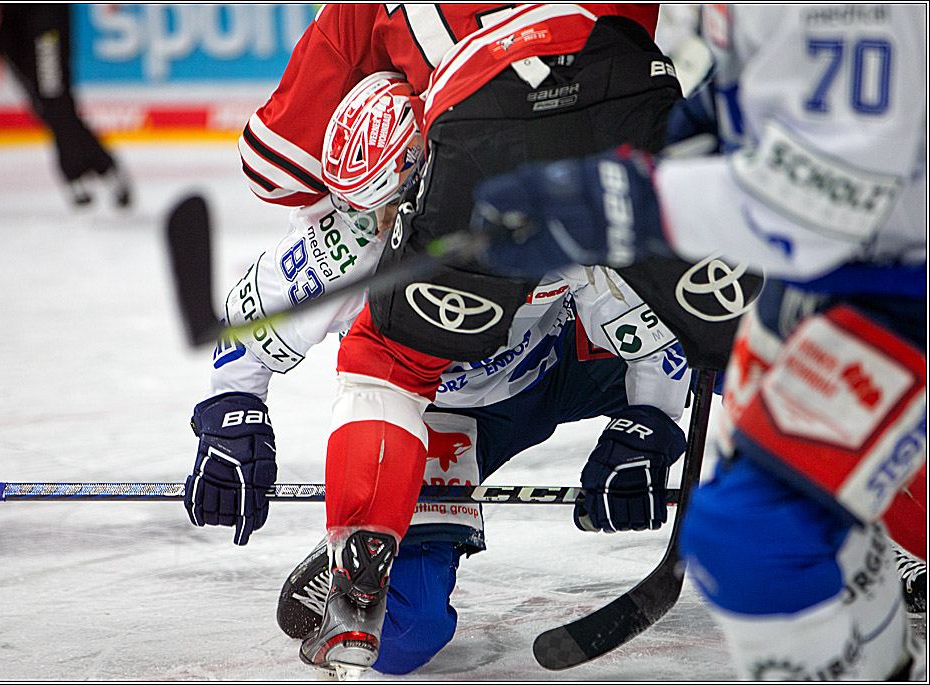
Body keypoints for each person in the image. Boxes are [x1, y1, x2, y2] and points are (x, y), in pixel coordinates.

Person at [467, 4, 926, 679]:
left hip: (896, 280)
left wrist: (627, 203)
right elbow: (768, 94)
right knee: (804, 525)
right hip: (846, 273)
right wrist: (687, 136)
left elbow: (839, 190)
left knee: (757, 535)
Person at [185, 68, 691, 678]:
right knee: (405, 638)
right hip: (435, 415)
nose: (373, 229)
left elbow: (656, 318)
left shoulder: (522, 194)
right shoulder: (349, 241)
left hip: (561, 363)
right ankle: (371, 531)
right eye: (356, 209)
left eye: (386, 210)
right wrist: (230, 426)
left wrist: (649, 424)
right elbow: (246, 335)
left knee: (733, 342)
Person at [0, 4, 132, 209]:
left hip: (44, 8)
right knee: (40, 100)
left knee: (52, 91)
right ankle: (104, 164)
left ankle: (76, 171)